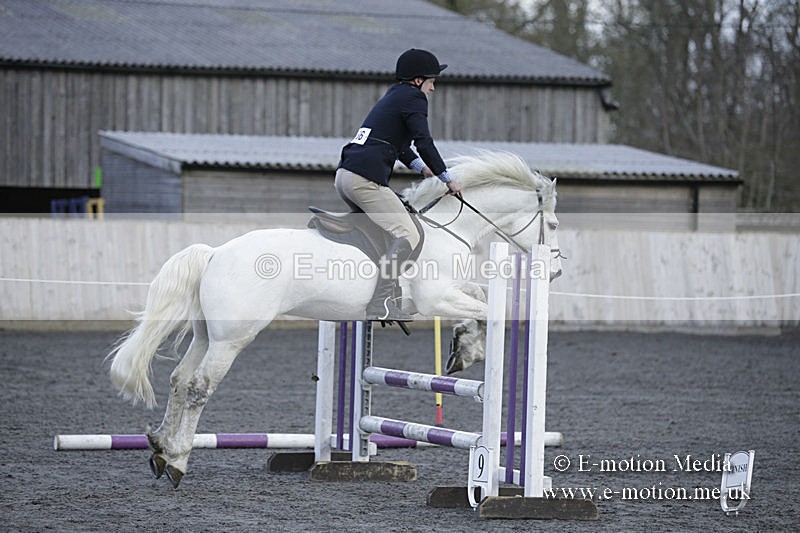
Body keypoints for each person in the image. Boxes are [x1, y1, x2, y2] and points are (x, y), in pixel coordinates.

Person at [336, 48, 461, 321]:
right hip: (364, 180)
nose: (433, 87)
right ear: (418, 80)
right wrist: (446, 177)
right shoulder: (415, 98)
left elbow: (401, 146)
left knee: (384, 231)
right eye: (431, 80)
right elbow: (423, 142)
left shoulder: (394, 95)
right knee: (410, 235)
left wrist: (421, 168)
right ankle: (379, 303)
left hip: (345, 176)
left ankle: (375, 287)